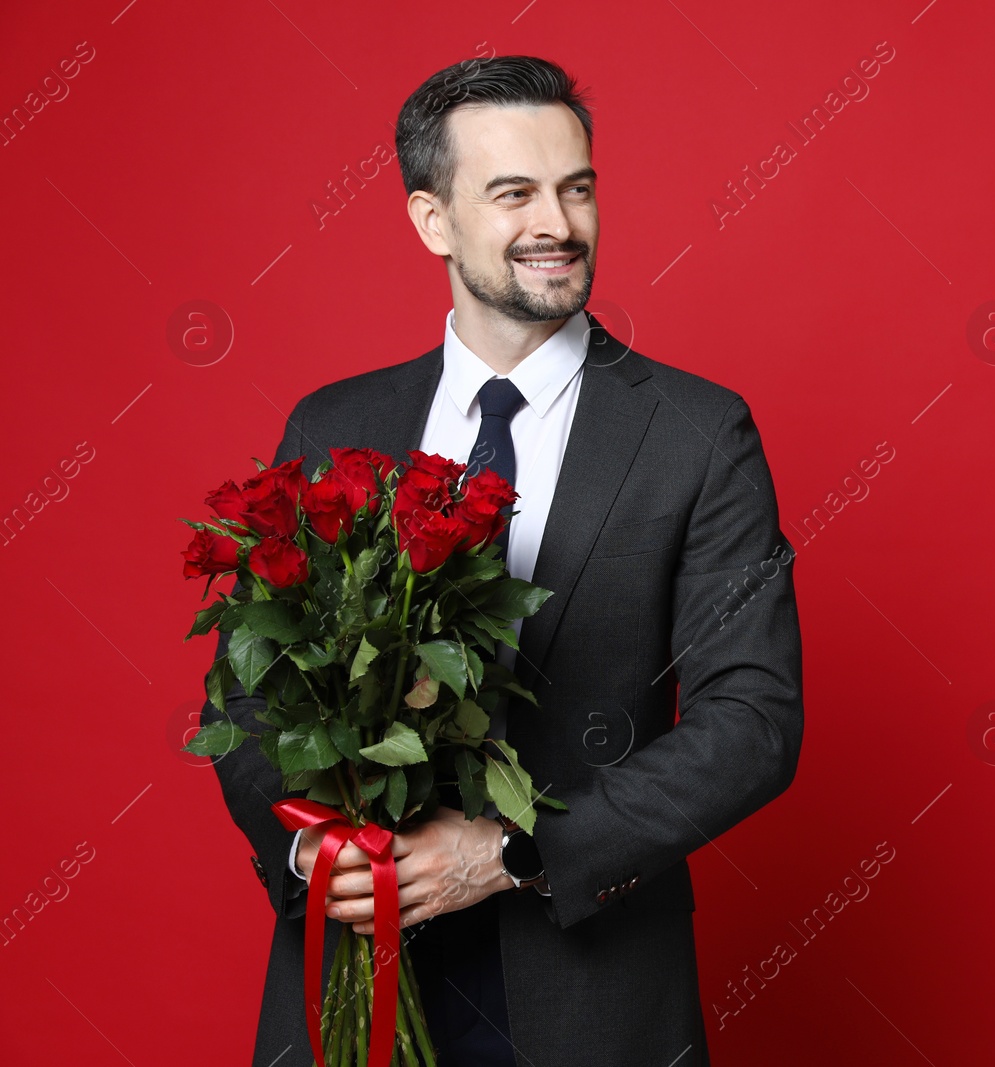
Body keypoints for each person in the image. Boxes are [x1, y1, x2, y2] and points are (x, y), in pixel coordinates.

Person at [197, 54, 803, 1067]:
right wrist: (313, 846)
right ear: (432, 220)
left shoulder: (699, 434)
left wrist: (512, 854)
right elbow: (246, 696)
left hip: (590, 989)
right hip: (353, 980)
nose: (557, 223)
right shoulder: (334, 424)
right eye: (514, 192)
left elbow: (753, 724)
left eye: (577, 187)